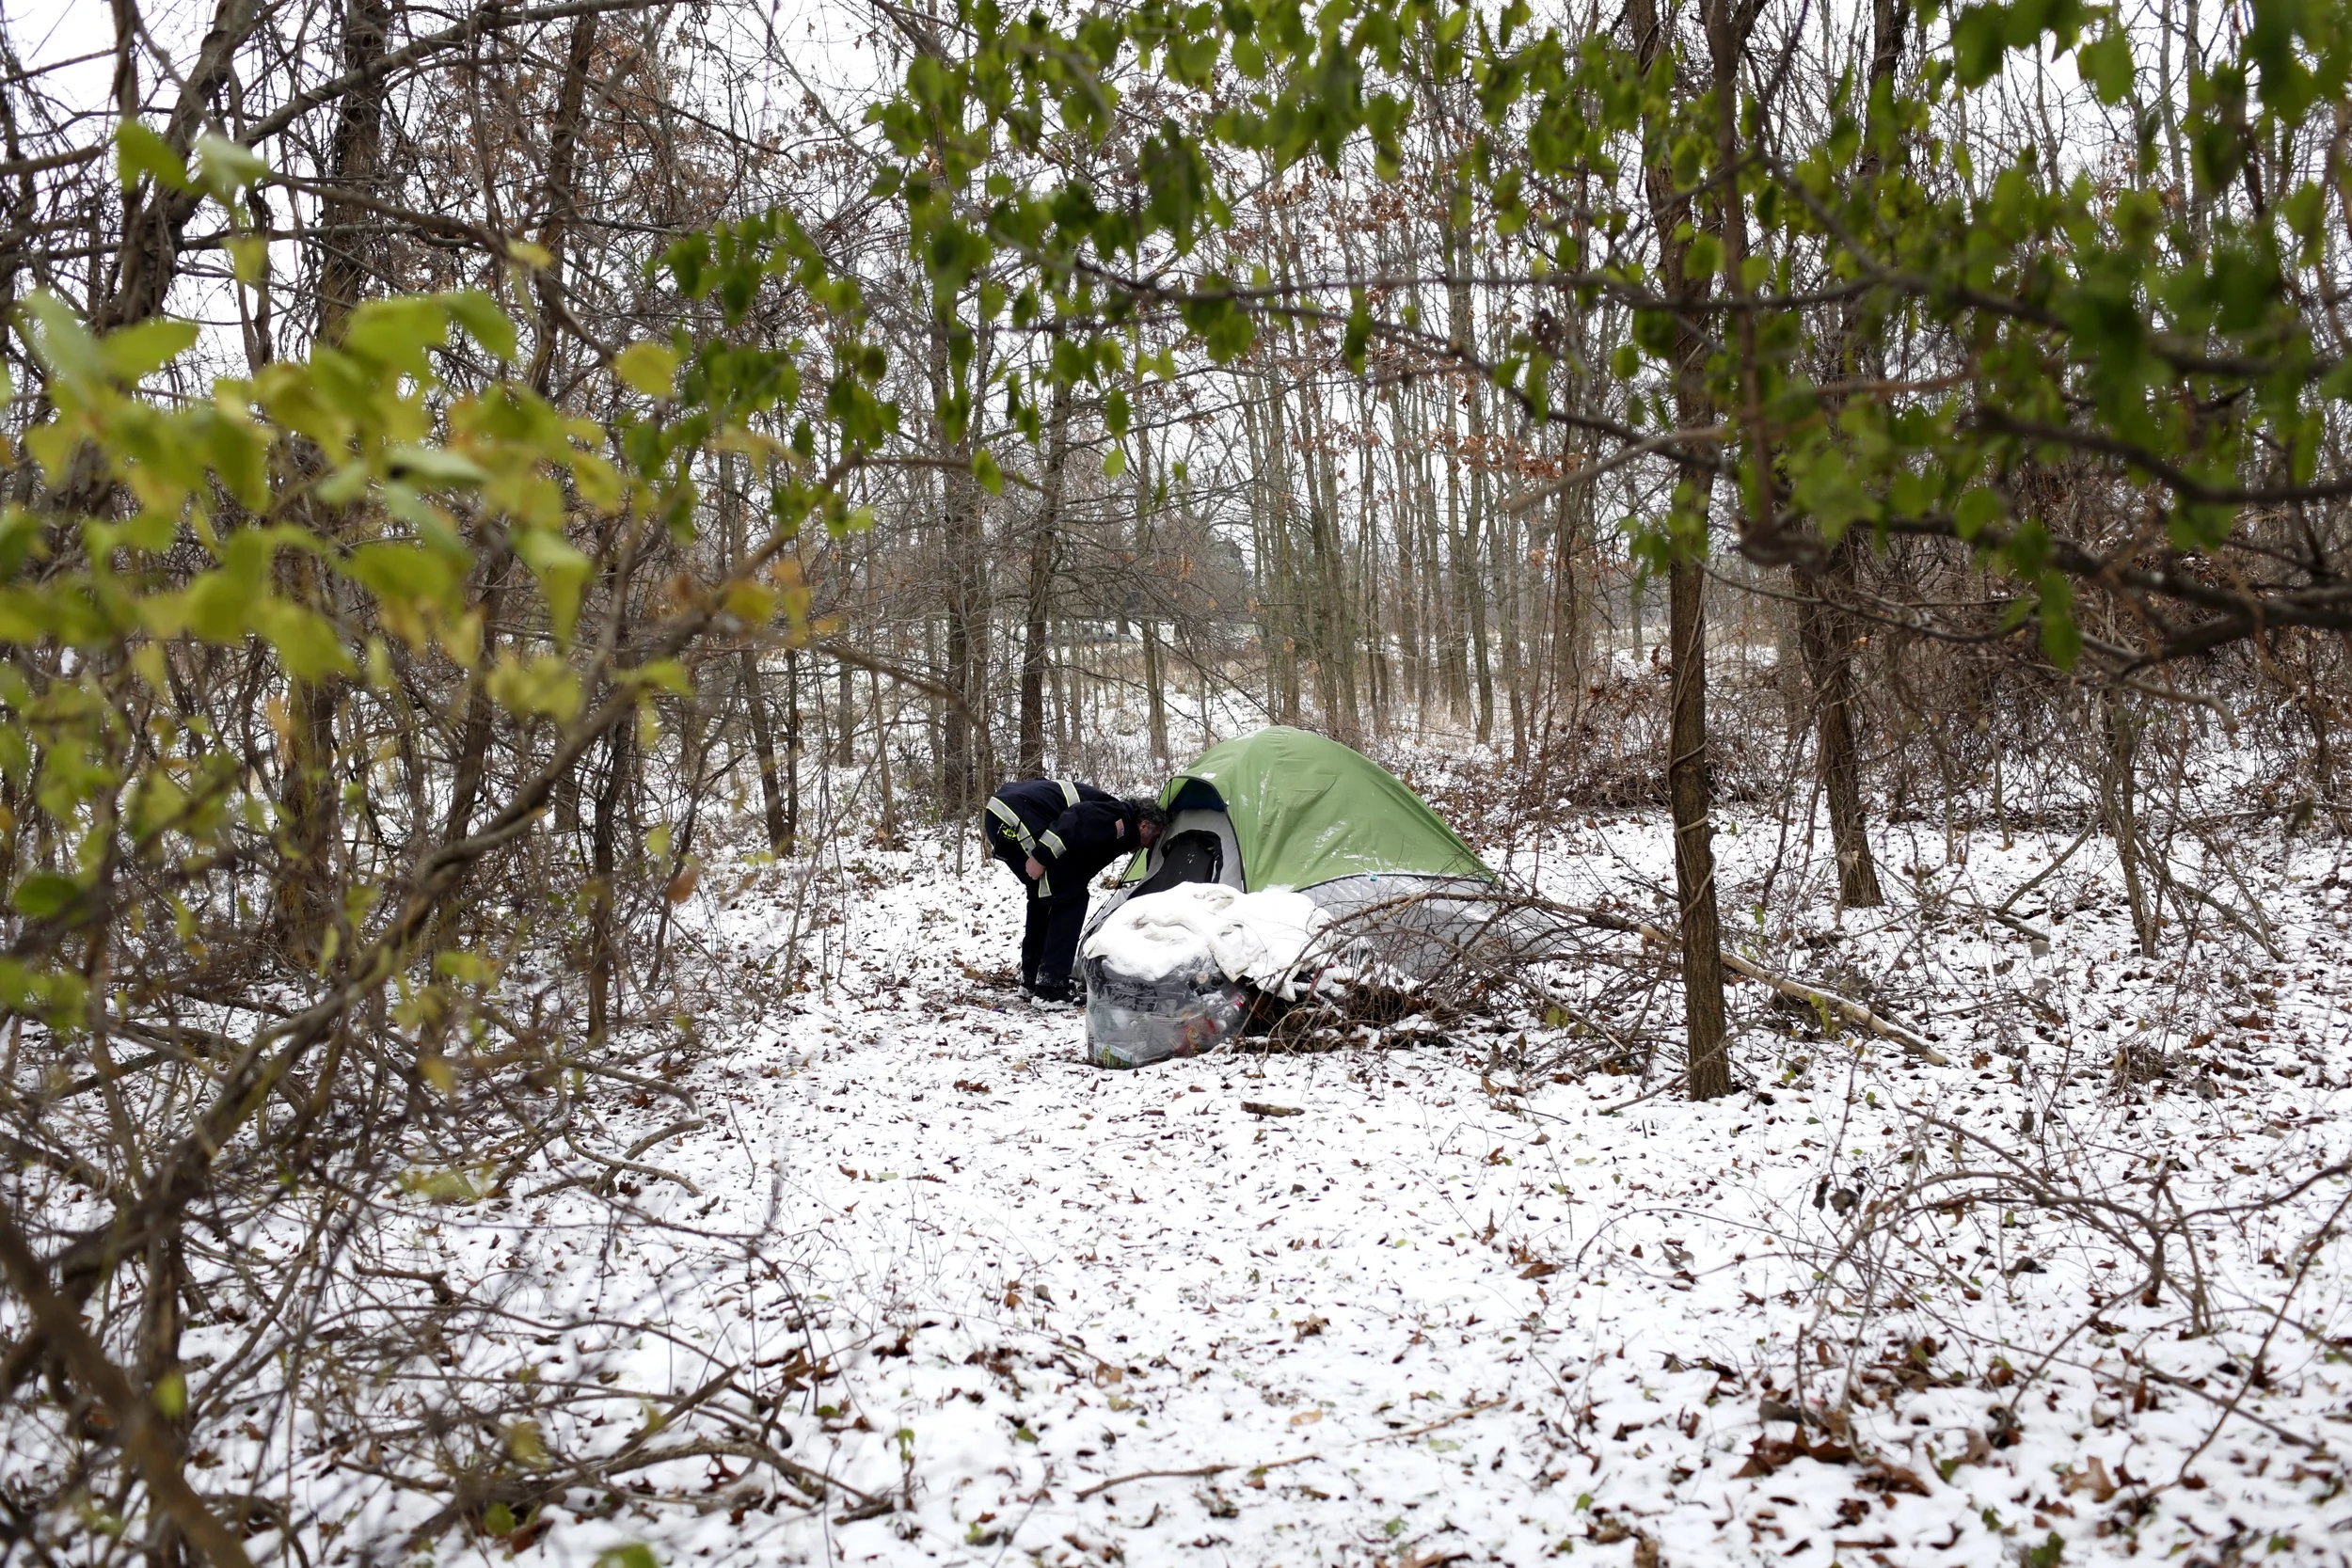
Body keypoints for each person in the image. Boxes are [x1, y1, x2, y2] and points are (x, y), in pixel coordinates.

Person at [983, 779, 1166, 1003]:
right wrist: (1042, 856)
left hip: (1000, 814)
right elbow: (1074, 821)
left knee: (1043, 897)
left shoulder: (1116, 817)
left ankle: (1032, 979)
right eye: (1154, 837)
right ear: (1144, 825)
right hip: (1017, 815)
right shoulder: (1118, 817)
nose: (1149, 845)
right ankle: (1051, 986)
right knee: (1070, 898)